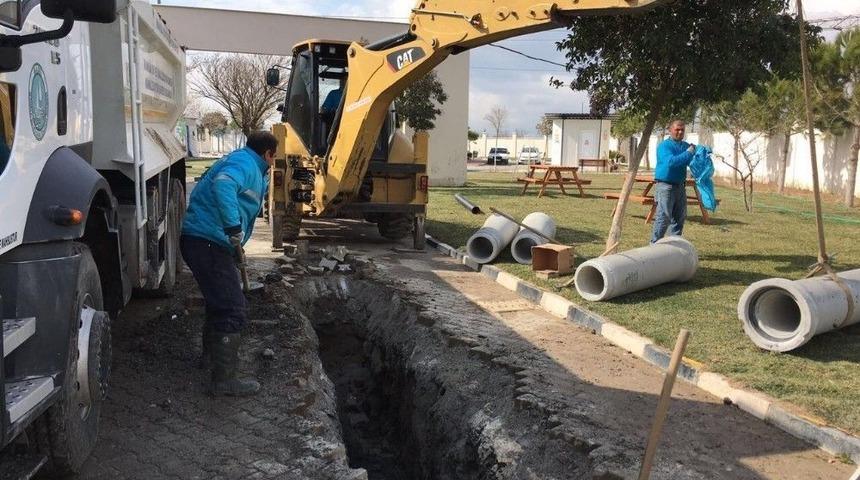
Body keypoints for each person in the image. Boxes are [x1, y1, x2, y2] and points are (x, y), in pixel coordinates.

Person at [180, 131, 277, 396]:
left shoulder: (244, 161)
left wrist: (234, 245)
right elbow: (224, 184)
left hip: (206, 242)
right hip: (207, 241)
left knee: (219, 303)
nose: (273, 162)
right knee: (233, 308)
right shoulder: (246, 164)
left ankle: (210, 360)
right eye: (273, 157)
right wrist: (232, 227)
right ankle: (223, 381)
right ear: (268, 154)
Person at [651, 120, 695, 244]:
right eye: (677, 129)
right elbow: (671, 162)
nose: (680, 132)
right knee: (663, 217)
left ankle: (673, 246)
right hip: (665, 186)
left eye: (682, 130)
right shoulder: (665, 146)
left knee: (679, 218)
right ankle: (654, 246)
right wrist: (689, 153)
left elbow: (692, 161)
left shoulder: (686, 146)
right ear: (670, 130)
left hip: (680, 186)